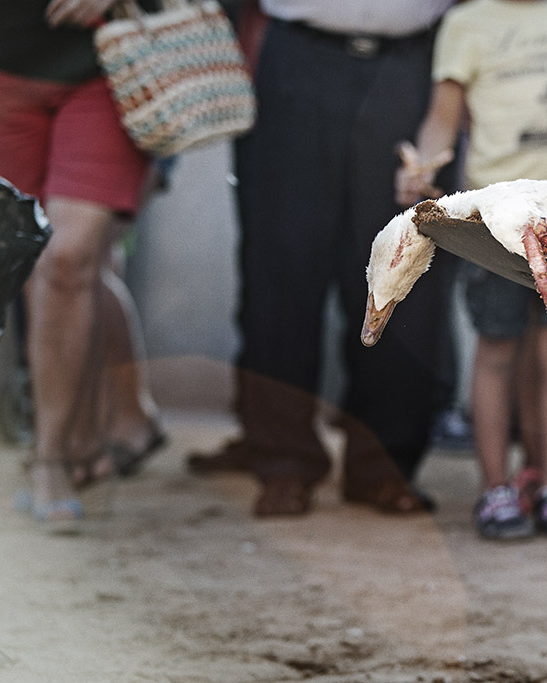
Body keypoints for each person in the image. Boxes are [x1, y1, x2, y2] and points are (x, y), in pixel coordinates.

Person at [188, 0, 459, 517]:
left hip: (417, 64)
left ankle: (385, 464)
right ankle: (283, 460)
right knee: (281, 266)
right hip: (296, 58)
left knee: (405, 259)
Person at [397, 0, 547, 541]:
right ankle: (496, 488)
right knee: (497, 345)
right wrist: (422, 170)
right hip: (494, 209)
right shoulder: (466, 23)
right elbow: (442, 120)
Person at [0, 0, 164, 532]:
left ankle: (50, 460)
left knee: (69, 257)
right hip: (3, 72)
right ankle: (76, 438)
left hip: (111, 68)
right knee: (32, 264)